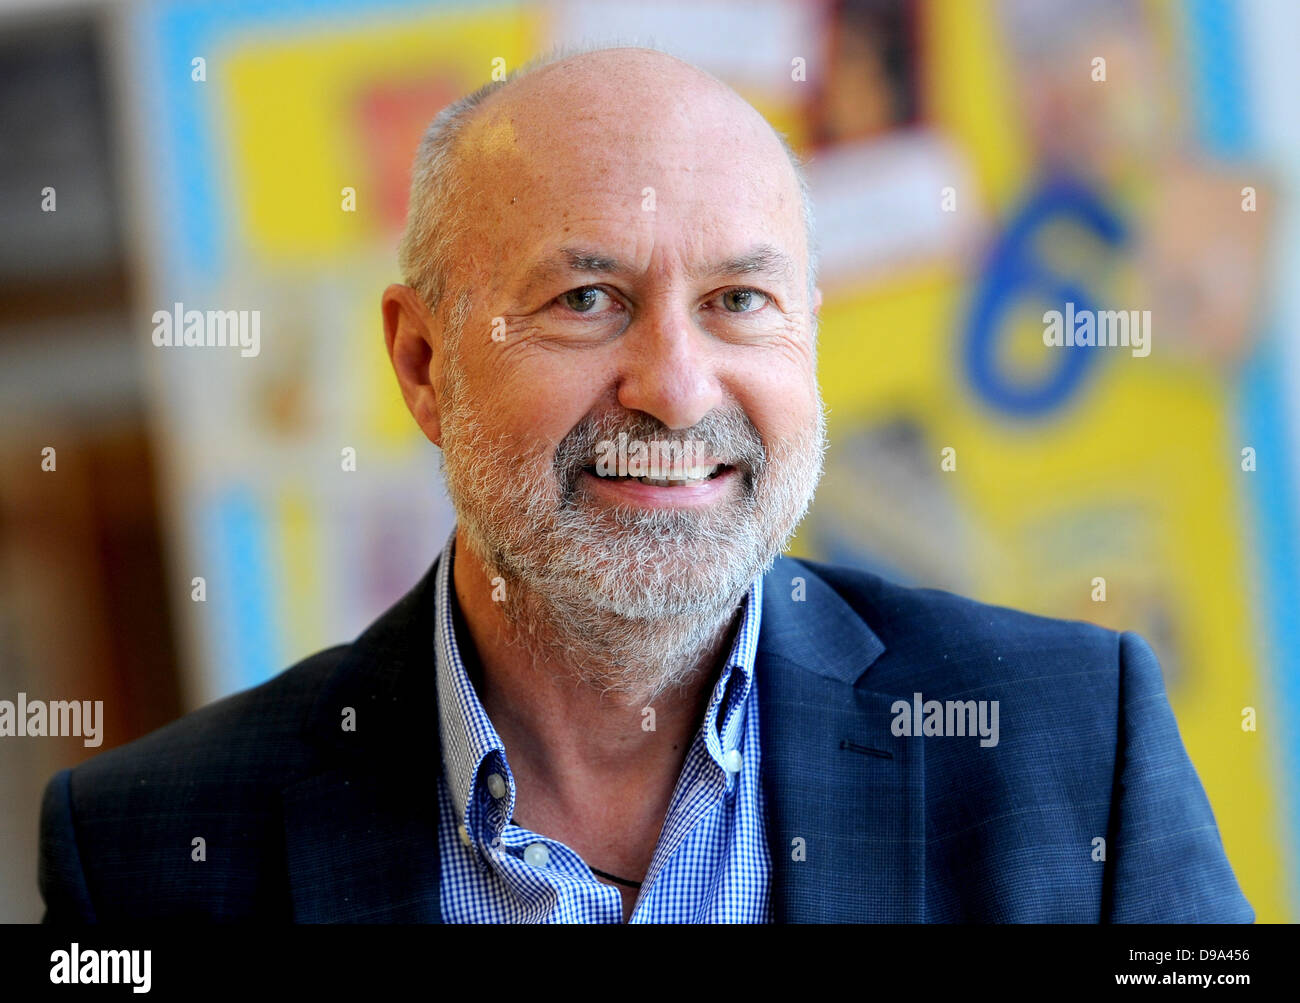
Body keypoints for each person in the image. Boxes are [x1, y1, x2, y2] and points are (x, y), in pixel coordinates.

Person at [39, 45, 1252, 924]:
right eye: (586, 299)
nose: (674, 388)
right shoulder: (150, 855)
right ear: (422, 363)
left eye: (738, 301)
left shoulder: (1070, 741)